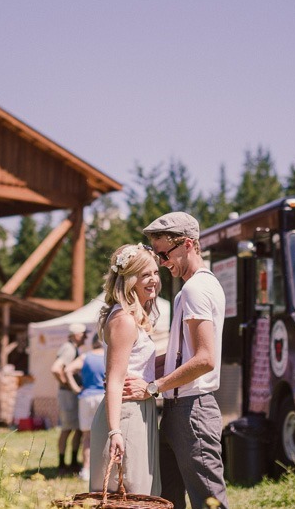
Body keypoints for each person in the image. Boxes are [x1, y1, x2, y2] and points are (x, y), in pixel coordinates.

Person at [123, 211, 228, 509]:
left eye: (164, 254)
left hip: (192, 409)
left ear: (188, 245)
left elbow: (205, 359)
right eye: (158, 257)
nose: (163, 263)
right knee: (167, 499)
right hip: (179, 409)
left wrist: (153, 387)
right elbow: (184, 355)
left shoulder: (196, 289)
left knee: (209, 502)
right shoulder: (192, 288)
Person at [90, 243, 162, 496]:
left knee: (141, 491)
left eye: (155, 272)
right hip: (126, 413)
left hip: (142, 410)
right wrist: (115, 431)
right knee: (129, 491)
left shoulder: (134, 317)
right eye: (145, 275)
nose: (154, 280)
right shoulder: (124, 320)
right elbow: (114, 380)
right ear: (130, 279)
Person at [66, 332, 106, 480]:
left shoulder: (85, 356)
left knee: (87, 436)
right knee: (106, 434)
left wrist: (76, 388)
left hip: (86, 397)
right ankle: (103, 470)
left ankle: (86, 470)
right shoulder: (108, 355)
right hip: (104, 396)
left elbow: (68, 369)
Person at [51, 322, 87, 474]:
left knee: (75, 429)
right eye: (84, 334)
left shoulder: (71, 348)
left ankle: (70, 462)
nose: (86, 337)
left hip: (68, 394)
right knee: (68, 429)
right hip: (68, 395)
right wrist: (69, 386)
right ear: (77, 335)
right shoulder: (69, 348)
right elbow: (56, 369)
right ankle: (63, 464)